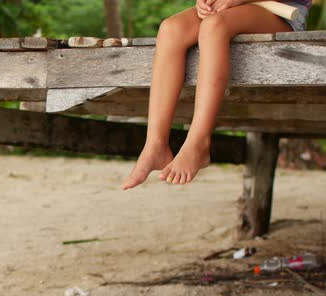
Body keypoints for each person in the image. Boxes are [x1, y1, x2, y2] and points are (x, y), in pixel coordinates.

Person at [121, 0, 311, 190]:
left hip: (281, 13)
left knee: (214, 26)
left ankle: (198, 143)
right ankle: (155, 145)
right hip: (229, 9)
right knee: (171, 29)